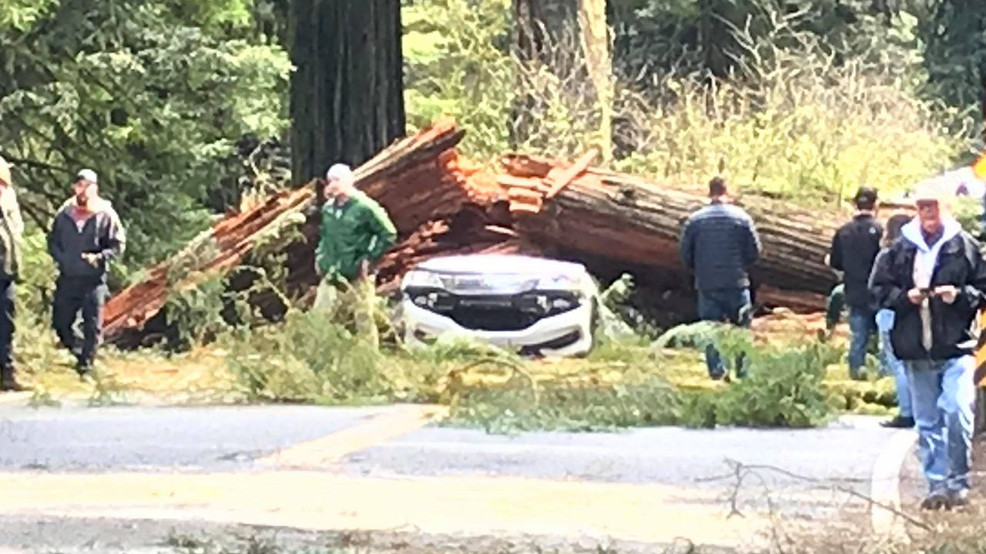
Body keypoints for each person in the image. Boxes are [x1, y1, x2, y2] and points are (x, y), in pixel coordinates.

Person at [870, 186, 986, 510]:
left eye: (933, 207)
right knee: (928, 422)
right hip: (915, 347)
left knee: (957, 410)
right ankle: (936, 485)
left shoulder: (964, 246)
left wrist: (960, 296)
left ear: (945, 207)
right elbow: (878, 288)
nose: (928, 214)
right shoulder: (900, 248)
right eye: (922, 207)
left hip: (957, 347)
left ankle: (958, 482)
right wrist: (904, 298)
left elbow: (982, 288)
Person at [679, 177, 761, 380]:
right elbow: (755, 252)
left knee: (711, 330)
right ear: (727, 191)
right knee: (741, 329)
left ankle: (717, 372)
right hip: (736, 282)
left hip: (707, 284)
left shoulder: (695, 221)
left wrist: (700, 269)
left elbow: (685, 254)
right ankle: (743, 372)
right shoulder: (742, 218)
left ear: (709, 193)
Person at [47, 169, 126, 377]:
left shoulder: (105, 214)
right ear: (75, 187)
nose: (83, 190)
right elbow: (52, 241)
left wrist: (99, 257)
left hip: (93, 279)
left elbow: (117, 245)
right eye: (80, 185)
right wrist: (62, 259)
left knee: (93, 325)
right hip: (68, 277)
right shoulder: (65, 213)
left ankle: (86, 367)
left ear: (95, 188)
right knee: (60, 322)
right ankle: (79, 350)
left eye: (87, 186)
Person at [314, 163, 397, 348]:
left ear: (349, 181)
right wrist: (320, 256)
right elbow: (326, 236)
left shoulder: (365, 207)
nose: (333, 184)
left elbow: (388, 233)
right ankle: (318, 355)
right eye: (330, 180)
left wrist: (369, 257)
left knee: (363, 317)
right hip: (332, 271)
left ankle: (369, 359)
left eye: (337, 180)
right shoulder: (328, 209)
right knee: (320, 315)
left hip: (358, 273)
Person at [829, 186, 883, 380]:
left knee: (858, 336)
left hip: (854, 290)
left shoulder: (843, 232)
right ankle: (882, 377)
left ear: (855, 204)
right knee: (883, 337)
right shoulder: (880, 231)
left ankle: (856, 374)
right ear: (876, 204)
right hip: (879, 292)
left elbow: (835, 262)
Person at [870, 213, 914, 428]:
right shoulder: (918, 254)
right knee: (915, 364)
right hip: (913, 313)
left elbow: (876, 285)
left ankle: (907, 412)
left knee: (899, 364)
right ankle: (920, 408)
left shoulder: (887, 254)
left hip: (889, 312)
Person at [0, 156, 24, 392]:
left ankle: (7, 373)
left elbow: (16, 230)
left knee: (6, 322)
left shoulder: (9, 197)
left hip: (5, 269)